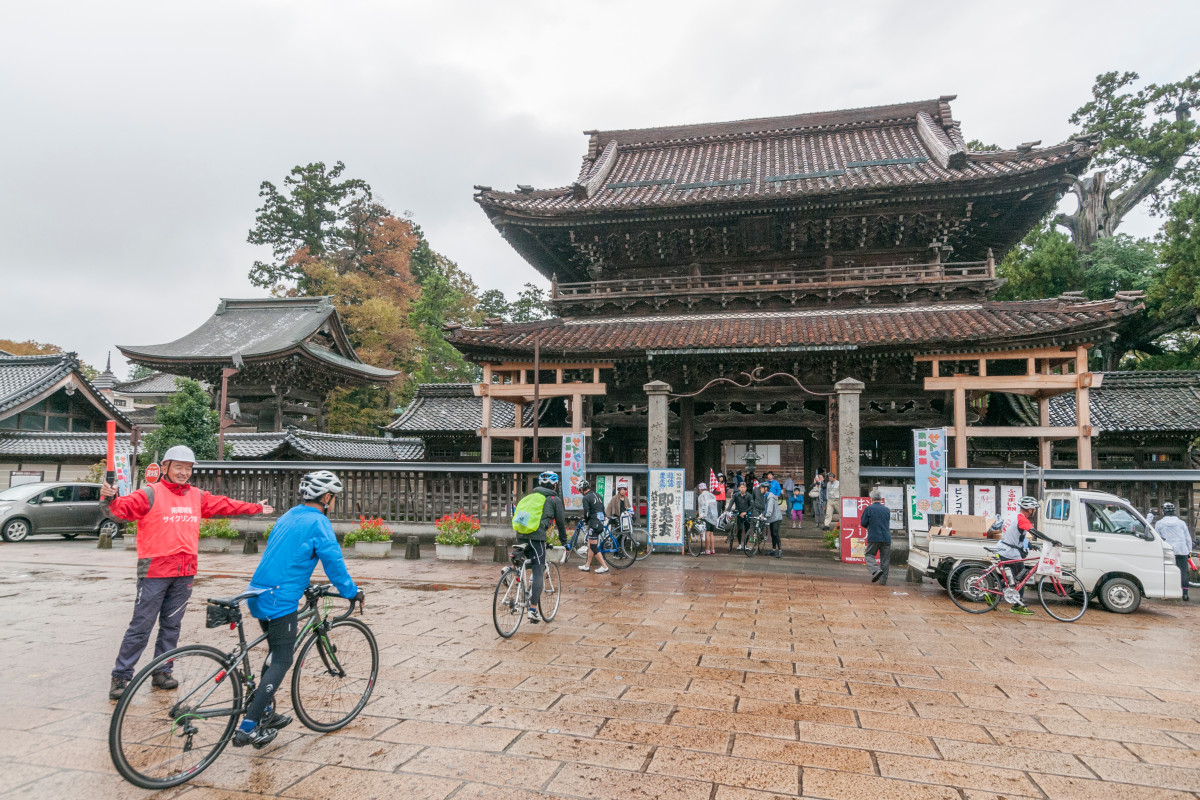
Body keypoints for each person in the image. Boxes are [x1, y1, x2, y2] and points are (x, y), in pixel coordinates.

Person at [102, 445, 272, 700]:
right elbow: (120, 510)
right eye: (179, 467)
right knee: (141, 625)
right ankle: (121, 676)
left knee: (172, 625)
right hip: (155, 571)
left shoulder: (196, 495)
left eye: (188, 468)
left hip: (185, 571)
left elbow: (223, 505)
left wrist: (255, 508)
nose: (184, 473)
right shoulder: (149, 493)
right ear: (165, 468)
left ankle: (163, 671)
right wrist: (110, 497)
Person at [236, 470, 362, 748]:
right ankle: (248, 726)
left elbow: (285, 555)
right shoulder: (318, 522)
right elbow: (334, 564)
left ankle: (265, 711)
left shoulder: (288, 515)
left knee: (274, 652)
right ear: (327, 497)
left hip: (259, 592)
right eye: (334, 497)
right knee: (282, 659)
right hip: (280, 598)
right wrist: (352, 592)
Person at [521, 472, 567, 621]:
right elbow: (560, 523)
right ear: (555, 485)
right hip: (537, 536)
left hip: (521, 533)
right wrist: (564, 542)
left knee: (529, 560)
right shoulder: (554, 499)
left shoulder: (531, 496)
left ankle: (512, 569)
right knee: (539, 568)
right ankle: (533, 610)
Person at [996, 495, 1051, 616]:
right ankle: (1018, 605)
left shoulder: (1013, 516)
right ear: (1029, 509)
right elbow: (1033, 531)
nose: (1035, 511)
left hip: (1003, 548)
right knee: (1021, 578)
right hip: (1011, 553)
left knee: (1013, 578)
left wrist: (1030, 545)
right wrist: (1050, 540)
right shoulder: (1022, 519)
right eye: (1034, 509)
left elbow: (1016, 535)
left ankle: (996, 590)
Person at [1155, 502, 1192, 602]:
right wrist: (1189, 550)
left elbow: (1158, 538)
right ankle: (1185, 594)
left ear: (1163, 512)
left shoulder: (1159, 524)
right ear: (1174, 512)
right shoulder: (1181, 523)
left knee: (1166, 571)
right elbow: (1187, 538)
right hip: (1181, 549)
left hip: (1167, 550)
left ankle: (1166, 593)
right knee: (1183, 572)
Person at [860, 489, 892, 585]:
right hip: (886, 537)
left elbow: (863, 522)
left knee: (869, 554)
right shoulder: (886, 509)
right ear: (880, 499)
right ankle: (883, 581)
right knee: (885, 559)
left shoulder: (869, 509)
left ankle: (875, 569)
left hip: (874, 536)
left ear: (871, 499)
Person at [578, 479, 609, 575]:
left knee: (593, 546)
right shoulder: (598, 495)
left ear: (582, 489)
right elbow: (603, 510)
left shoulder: (586, 497)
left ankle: (604, 566)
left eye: (580, 490)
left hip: (593, 523)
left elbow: (587, 513)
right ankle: (587, 565)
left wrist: (586, 521)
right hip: (600, 522)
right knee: (590, 544)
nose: (580, 492)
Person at [756, 481, 783, 558]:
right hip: (772, 518)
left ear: (766, 489)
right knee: (772, 534)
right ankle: (774, 550)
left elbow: (769, 510)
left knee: (775, 533)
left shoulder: (770, 497)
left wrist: (765, 516)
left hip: (776, 518)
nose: (760, 489)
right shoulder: (766, 496)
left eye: (761, 488)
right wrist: (762, 514)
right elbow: (766, 509)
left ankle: (780, 550)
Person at [697, 482, 719, 554]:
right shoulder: (712, 495)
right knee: (711, 533)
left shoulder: (701, 496)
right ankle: (713, 549)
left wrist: (702, 515)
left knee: (707, 533)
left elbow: (704, 506)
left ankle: (707, 550)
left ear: (700, 489)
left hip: (706, 517)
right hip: (713, 516)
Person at [731, 480, 753, 549]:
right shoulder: (736, 495)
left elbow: (752, 505)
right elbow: (731, 502)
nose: (743, 488)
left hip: (747, 514)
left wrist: (746, 512)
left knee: (747, 530)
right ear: (739, 488)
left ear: (746, 488)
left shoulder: (749, 495)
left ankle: (745, 545)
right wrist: (728, 510)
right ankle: (739, 544)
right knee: (739, 529)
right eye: (741, 487)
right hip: (739, 513)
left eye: (744, 487)